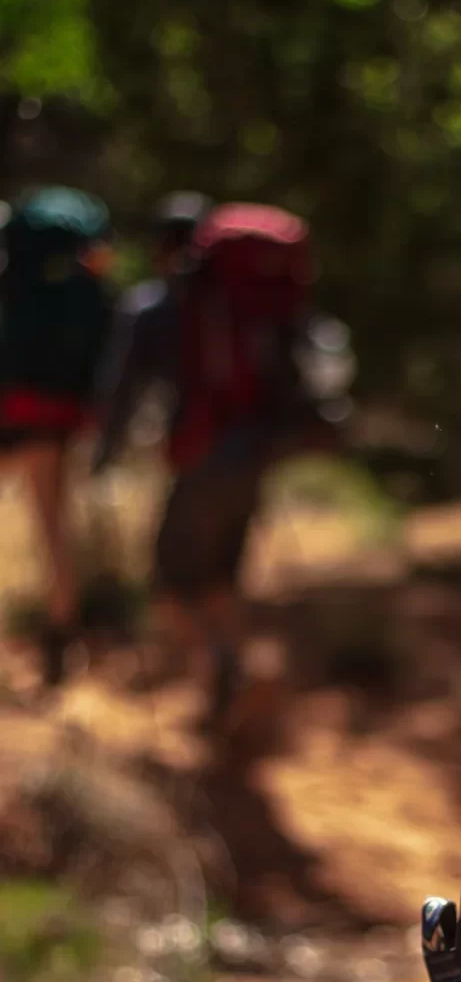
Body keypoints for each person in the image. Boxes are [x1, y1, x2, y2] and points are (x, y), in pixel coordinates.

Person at [92, 196, 336, 734]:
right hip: (257, 454)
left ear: (160, 248)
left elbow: (124, 388)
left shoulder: (157, 305)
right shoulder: (245, 298)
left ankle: (222, 673)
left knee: (168, 581)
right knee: (223, 573)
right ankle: (232, 682)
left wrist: (104, 458)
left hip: (201, 458)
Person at [0, 186, 116, 687]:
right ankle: (60, 635)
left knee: (50, 529)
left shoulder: (13, 284)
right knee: (54, 530)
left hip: (11, 415)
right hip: (59, 423)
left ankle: (58, 639)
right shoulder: (89, 293)